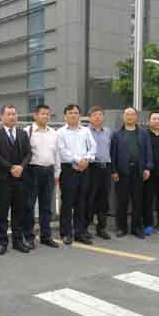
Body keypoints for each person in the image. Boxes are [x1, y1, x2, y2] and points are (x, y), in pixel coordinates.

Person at [0, 104, 32, 255]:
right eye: (8, 114)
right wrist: (10, 168)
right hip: (4, 179)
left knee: (19, 211)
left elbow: (29, 154)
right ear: (2, 117)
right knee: (2, 211)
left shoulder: (23, 134)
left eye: (14, 114)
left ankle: (18, 241)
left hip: (21, 178)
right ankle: (2, 242)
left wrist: (21, 167)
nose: (12, 117)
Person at [110, 107, 153, 239]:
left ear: (136, 117)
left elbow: (148, 151)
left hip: (138, 171)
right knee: (122, 201)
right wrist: (113, 171)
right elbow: (112, 154)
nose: (129, 116)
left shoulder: (143, 133)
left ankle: (136, 228)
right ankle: (121, 228)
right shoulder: (117, 134)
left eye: (132, 114)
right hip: (122, 172)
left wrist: (148, 168)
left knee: (137, 201)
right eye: (127, 114)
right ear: (123, 117)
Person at [57, 104, 97, 245]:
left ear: (79, 115)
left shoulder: (86, 131)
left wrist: (86, 159)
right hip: (68, 170)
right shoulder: (60, 132)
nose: (73, 115)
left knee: (82, 202)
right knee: (67, 202)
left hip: (84, 169)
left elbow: (93, 147)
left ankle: (80, 232)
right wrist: (77, 160)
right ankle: (66, 233)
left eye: (76, 112)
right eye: (70, 112)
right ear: (65, 116)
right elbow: (62, 151)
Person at [23, 104, 59, 249]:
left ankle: (46, 236)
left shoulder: (53, 133)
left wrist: (57, 172)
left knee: (46, 206)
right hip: (32, 171)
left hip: (49, 171)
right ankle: (29, 236)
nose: (45, 116)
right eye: (42, 113)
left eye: (47, 114)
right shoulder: (28, 131)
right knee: (29, 205)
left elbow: (57, 154)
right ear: (35, 115)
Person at [86, 106, 113, 240]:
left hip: (105, 168)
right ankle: (85, 227)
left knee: (104, 199)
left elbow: (111, 150)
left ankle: (101, 227)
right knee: (89, 198)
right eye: (95, 115)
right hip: (91, 168)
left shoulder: (108, 132)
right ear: (89, 118)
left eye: (100, 115)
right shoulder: (85, 132)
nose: (98, 117)